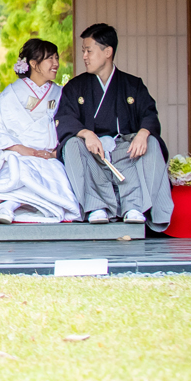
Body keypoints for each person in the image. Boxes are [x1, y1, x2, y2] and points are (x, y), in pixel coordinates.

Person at [55, 22, 174, 230]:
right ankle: (95, 207)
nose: (84, 56)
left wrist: (143, 133)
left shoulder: (132, 84)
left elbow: (149, 113)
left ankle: (135, 206)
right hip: (92, 151)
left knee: (152, 142)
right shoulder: (75, 87)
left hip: (125, 151)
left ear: (108, 51)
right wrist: (86, 134)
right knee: (72, 144)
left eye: (89, 51)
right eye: (83, 51)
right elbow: (64, 118)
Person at [0, 39, 81, 225]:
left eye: (56, 58)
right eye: (50, 58)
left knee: (49, 174)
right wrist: (20, 149)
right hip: (17, 152)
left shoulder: (61, 93)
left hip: (47, 157)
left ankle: (8, 206)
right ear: (33, 63)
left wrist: (54, 153)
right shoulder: (11, 93)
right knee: (18, 169)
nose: (56, 63)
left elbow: (69, 126)